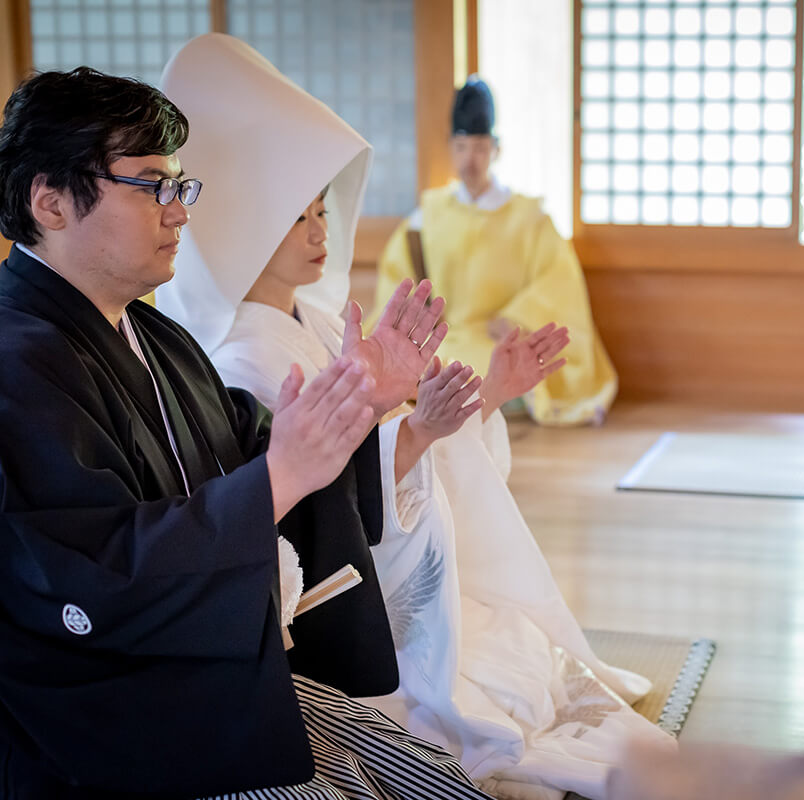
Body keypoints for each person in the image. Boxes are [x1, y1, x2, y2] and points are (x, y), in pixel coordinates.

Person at [157, 33, 674, 800]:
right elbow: (325, 508)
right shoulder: (242, 361)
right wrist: (420, 427)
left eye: (321, 210)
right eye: (296, 215)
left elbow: (402, 443)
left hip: (389, 561)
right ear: (250, 227)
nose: (320, 230)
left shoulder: (321, 324)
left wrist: (483, 394)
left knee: (523, 663)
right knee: (497, 690)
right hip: (344, 602)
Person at [0, 65, 491, 800]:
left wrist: (360, 409)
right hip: (107, 731)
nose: (180, 214)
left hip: (216, 678)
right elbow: (92, 577)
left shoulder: (158, 339)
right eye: (153, 187)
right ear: (51, 201)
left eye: (181, 187)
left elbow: (266, 456)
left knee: (433, 778)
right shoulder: (15, 366)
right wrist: (283, 476)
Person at [370, 76, 617, 427]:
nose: (470, 160)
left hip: (496, 338)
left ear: (496, 150)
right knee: (429, 363)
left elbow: (557, 279)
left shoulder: (530, 218)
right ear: (450, 148)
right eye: (461, 148)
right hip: (444, 337)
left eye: (480, 148)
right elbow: (399, 277)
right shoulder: (426, 217)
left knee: (495, 365)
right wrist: (418, 323)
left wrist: (518, 318)